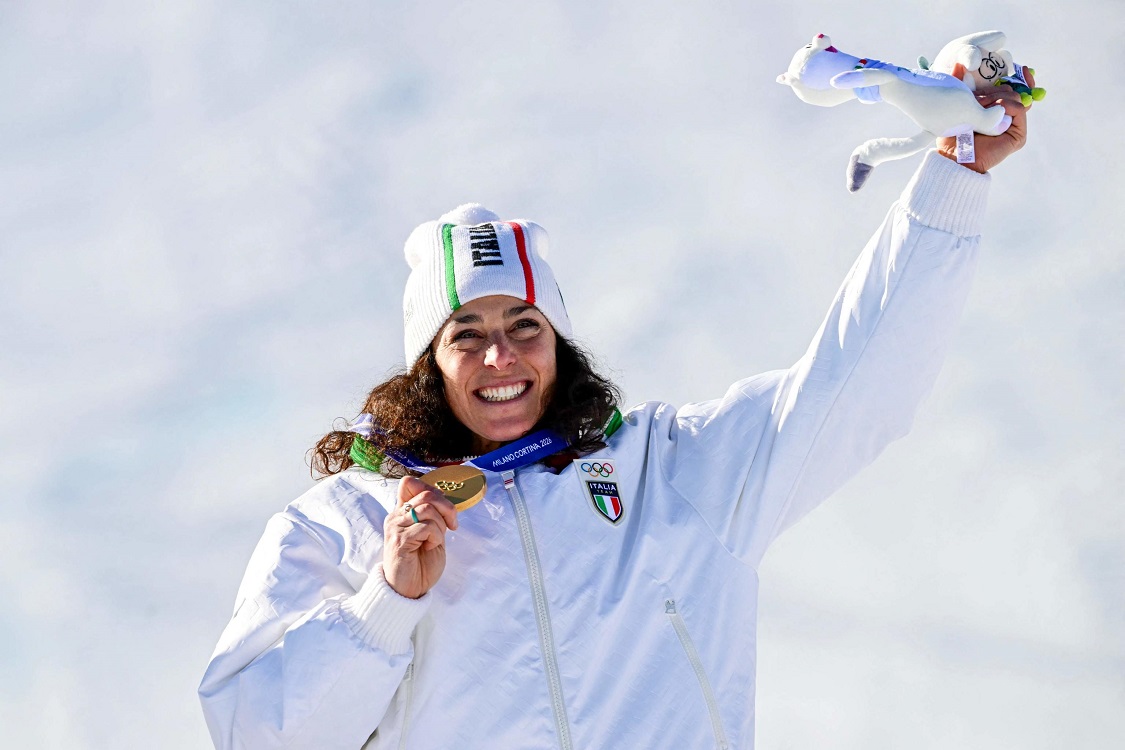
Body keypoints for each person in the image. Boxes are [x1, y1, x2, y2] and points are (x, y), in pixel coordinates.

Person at [198, 78, 1033, 748]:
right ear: (427, 366)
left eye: (525, 326)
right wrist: (385, 602)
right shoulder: (344, 523)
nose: (501, 358)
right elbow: (256, 735)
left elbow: (857, 381)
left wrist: (954, 179)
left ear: (559, 343)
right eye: (467, 335)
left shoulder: (672, 470)